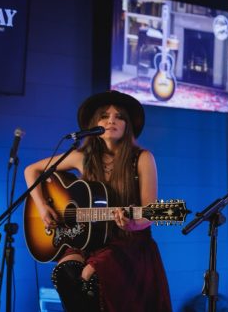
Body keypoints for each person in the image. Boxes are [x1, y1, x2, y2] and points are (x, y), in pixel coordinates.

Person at [24, 90, 172, 311]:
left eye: (119, 116)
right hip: (88, 239)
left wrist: (132, 222)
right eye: (105, 115)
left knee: (90, 274)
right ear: (95, 123)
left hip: (127, 241)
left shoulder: (142, 158)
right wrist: (44, 207)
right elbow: (31, 170)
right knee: (65, 272)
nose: (111, 120)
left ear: (127, 125)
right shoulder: (81, 158)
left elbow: (150, 212)